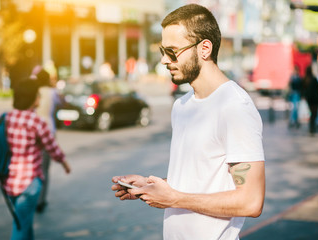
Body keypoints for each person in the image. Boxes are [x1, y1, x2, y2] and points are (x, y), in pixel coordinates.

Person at [111, 4, 265, 240]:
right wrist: (152, 187)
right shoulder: (181, 106)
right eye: (163, 50)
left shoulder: (234, 107)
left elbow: (251, 201)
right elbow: (199, 178)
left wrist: (173, 199)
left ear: (204, 48)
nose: (164, 60)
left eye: (172, 51)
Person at [0, 79, 70, 240]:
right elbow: (52, 148)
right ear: (32, 98)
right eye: (38, 96)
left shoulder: (4, 117)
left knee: (24, 222)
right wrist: (64, 163)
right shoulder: (37, 121)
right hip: (29, 185)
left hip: (7, 181)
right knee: (21, 227)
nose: (40, 99)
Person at [35, 69, 63, 212]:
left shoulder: (35, 91)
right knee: (44, 168)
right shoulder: (52, 92)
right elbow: (61, 103)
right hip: (49, 129)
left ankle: (33, 196)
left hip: (34, 131)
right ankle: (41, 200)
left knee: (34, 165)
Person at [305, 65, 318, 135]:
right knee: (314, 114)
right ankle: (313, 127)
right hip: (314, 100)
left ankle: (312, 127)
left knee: (313, 114)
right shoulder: (314, 79)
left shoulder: (306, 79)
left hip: (310, 100)